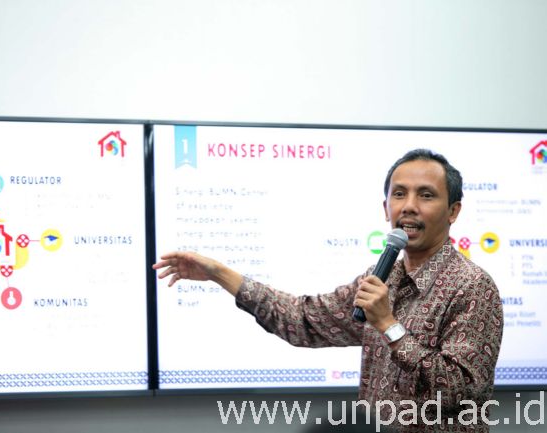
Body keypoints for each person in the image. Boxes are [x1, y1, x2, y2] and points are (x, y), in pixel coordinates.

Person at [153, 149, 503, 432]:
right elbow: (304, 319)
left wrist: (389, 325)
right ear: (386, 209)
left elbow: (462, 391)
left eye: (426, 195)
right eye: (399, 194)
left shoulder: (471, 286)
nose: (409, 205)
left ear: (453, 211)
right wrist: (219, 274)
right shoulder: (383, 278)